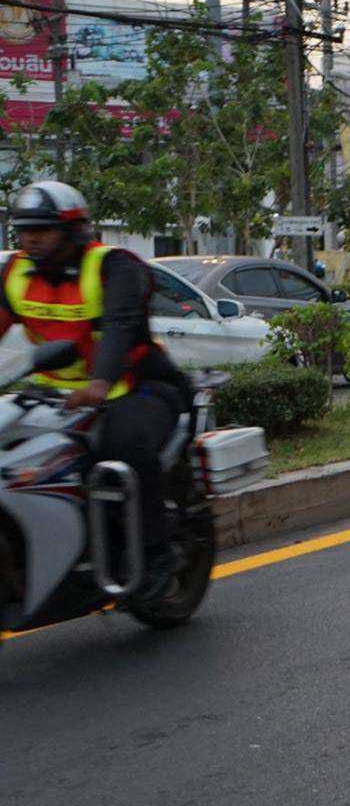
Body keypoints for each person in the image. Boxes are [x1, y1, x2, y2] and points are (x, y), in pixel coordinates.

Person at [1, 180, 193, 603]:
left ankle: (156, 554)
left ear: (73, 230)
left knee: (122, 446)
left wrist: (100, 383)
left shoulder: (113, 266)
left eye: (43, 229)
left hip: (136, 388)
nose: (31, 238)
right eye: (24, 230)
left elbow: (120, 326)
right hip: (55, 395)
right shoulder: (14, 273)